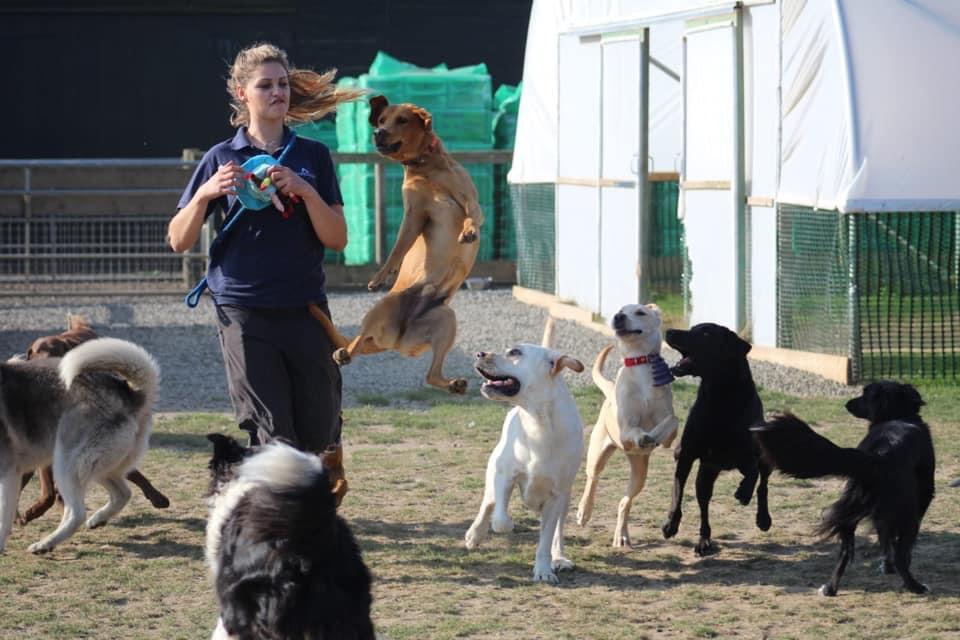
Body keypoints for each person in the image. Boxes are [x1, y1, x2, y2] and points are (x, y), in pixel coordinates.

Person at [168, 42, 362, 453]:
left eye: (283, 84)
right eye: (265, 85)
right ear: (243, 93)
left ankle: (292, 503)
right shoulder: (222, 157)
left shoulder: (313, 155)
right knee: (274, 435)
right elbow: (178, 239)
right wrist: (205, 194)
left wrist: (307, 191)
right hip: (243, 310)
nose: (278, 92)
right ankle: (279, 513)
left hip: (305, 307)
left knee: (319, 431)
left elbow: (338, 238)